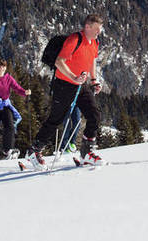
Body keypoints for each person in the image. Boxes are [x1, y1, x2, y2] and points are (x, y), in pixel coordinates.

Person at [26, 14, 105, 168]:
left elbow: (92, 60)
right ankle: (34, 150)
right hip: (64, 85)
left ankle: (86, 153)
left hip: (80, 85)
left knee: (94, 114)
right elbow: (59, 62)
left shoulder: (94, 42)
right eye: (96, 29)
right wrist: (73, 77)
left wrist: (94, 80)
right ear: (87, 27)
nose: (98, 33)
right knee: (56, 119)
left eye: (99, 30)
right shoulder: (74, 40)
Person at [0, 58, 30, 160]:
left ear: (5, 68)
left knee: (10, 126)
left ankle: (7, 149)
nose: (1, 68)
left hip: (5, 105)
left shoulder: (8, 78)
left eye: (3, 66)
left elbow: (17, 88)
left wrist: (25, 92)